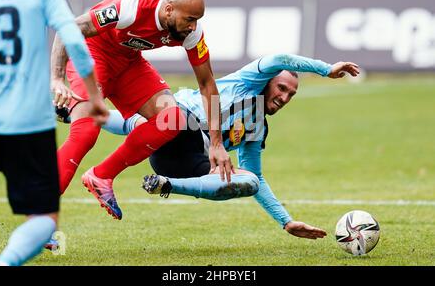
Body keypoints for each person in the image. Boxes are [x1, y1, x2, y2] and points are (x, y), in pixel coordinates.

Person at [100, 52, 360, 239]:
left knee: (249, 182)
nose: (284, 97)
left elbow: (255, 175)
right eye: (281, 88)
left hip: (176, 163)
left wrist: (286, 221)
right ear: (267, 80)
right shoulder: (249, 79)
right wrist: (325, 69)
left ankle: (165, 185)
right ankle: (84, 113)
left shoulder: (257, 127)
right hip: (176, 120)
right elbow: (281, 58)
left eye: (291, 94)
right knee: (157, 121)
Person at [51, 0, 233, 221]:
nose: (193, 26)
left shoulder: (192, 33)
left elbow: (207, 84)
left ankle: (101, 176)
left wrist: (217, 143)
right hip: (93, 54)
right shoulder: (130, 7)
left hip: (128, 63)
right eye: (189, 19)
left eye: (197, 20)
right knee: (87, 131)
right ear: (168, 10)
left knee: (171, 119)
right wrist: (56, 77)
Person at [0, 0, 108, 266]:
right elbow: (75, 41)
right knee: (44, 219)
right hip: (31, 122)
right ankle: (4, 263)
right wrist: (94, 96)